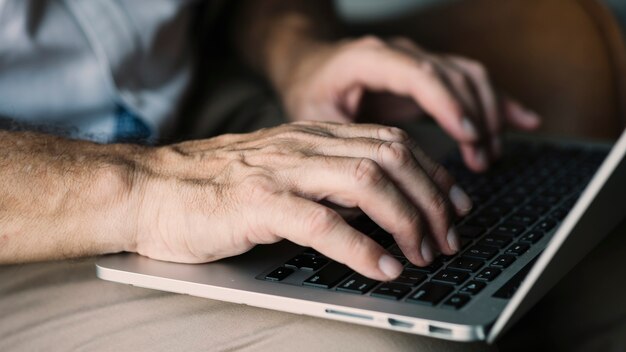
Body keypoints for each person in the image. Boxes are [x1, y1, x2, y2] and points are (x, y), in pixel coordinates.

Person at [0, 1, 542, 350]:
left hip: (203, 105)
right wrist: (140, 188)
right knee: (370, 340)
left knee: (549, 246)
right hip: (33, 217)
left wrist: (297, 52)